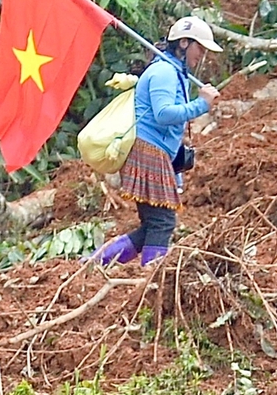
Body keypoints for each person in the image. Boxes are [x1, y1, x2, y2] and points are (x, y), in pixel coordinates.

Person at [92, 17, 223, 267]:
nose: (203, 54)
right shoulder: (164, 71)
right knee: (162, 223)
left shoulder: (173, 71)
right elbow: (163, 114)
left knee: (154, 224)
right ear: (184, 43)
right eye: (200, 48)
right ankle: (153, 274)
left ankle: (96, 262)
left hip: (156, 153)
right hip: (148, 151)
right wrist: (201, 104)